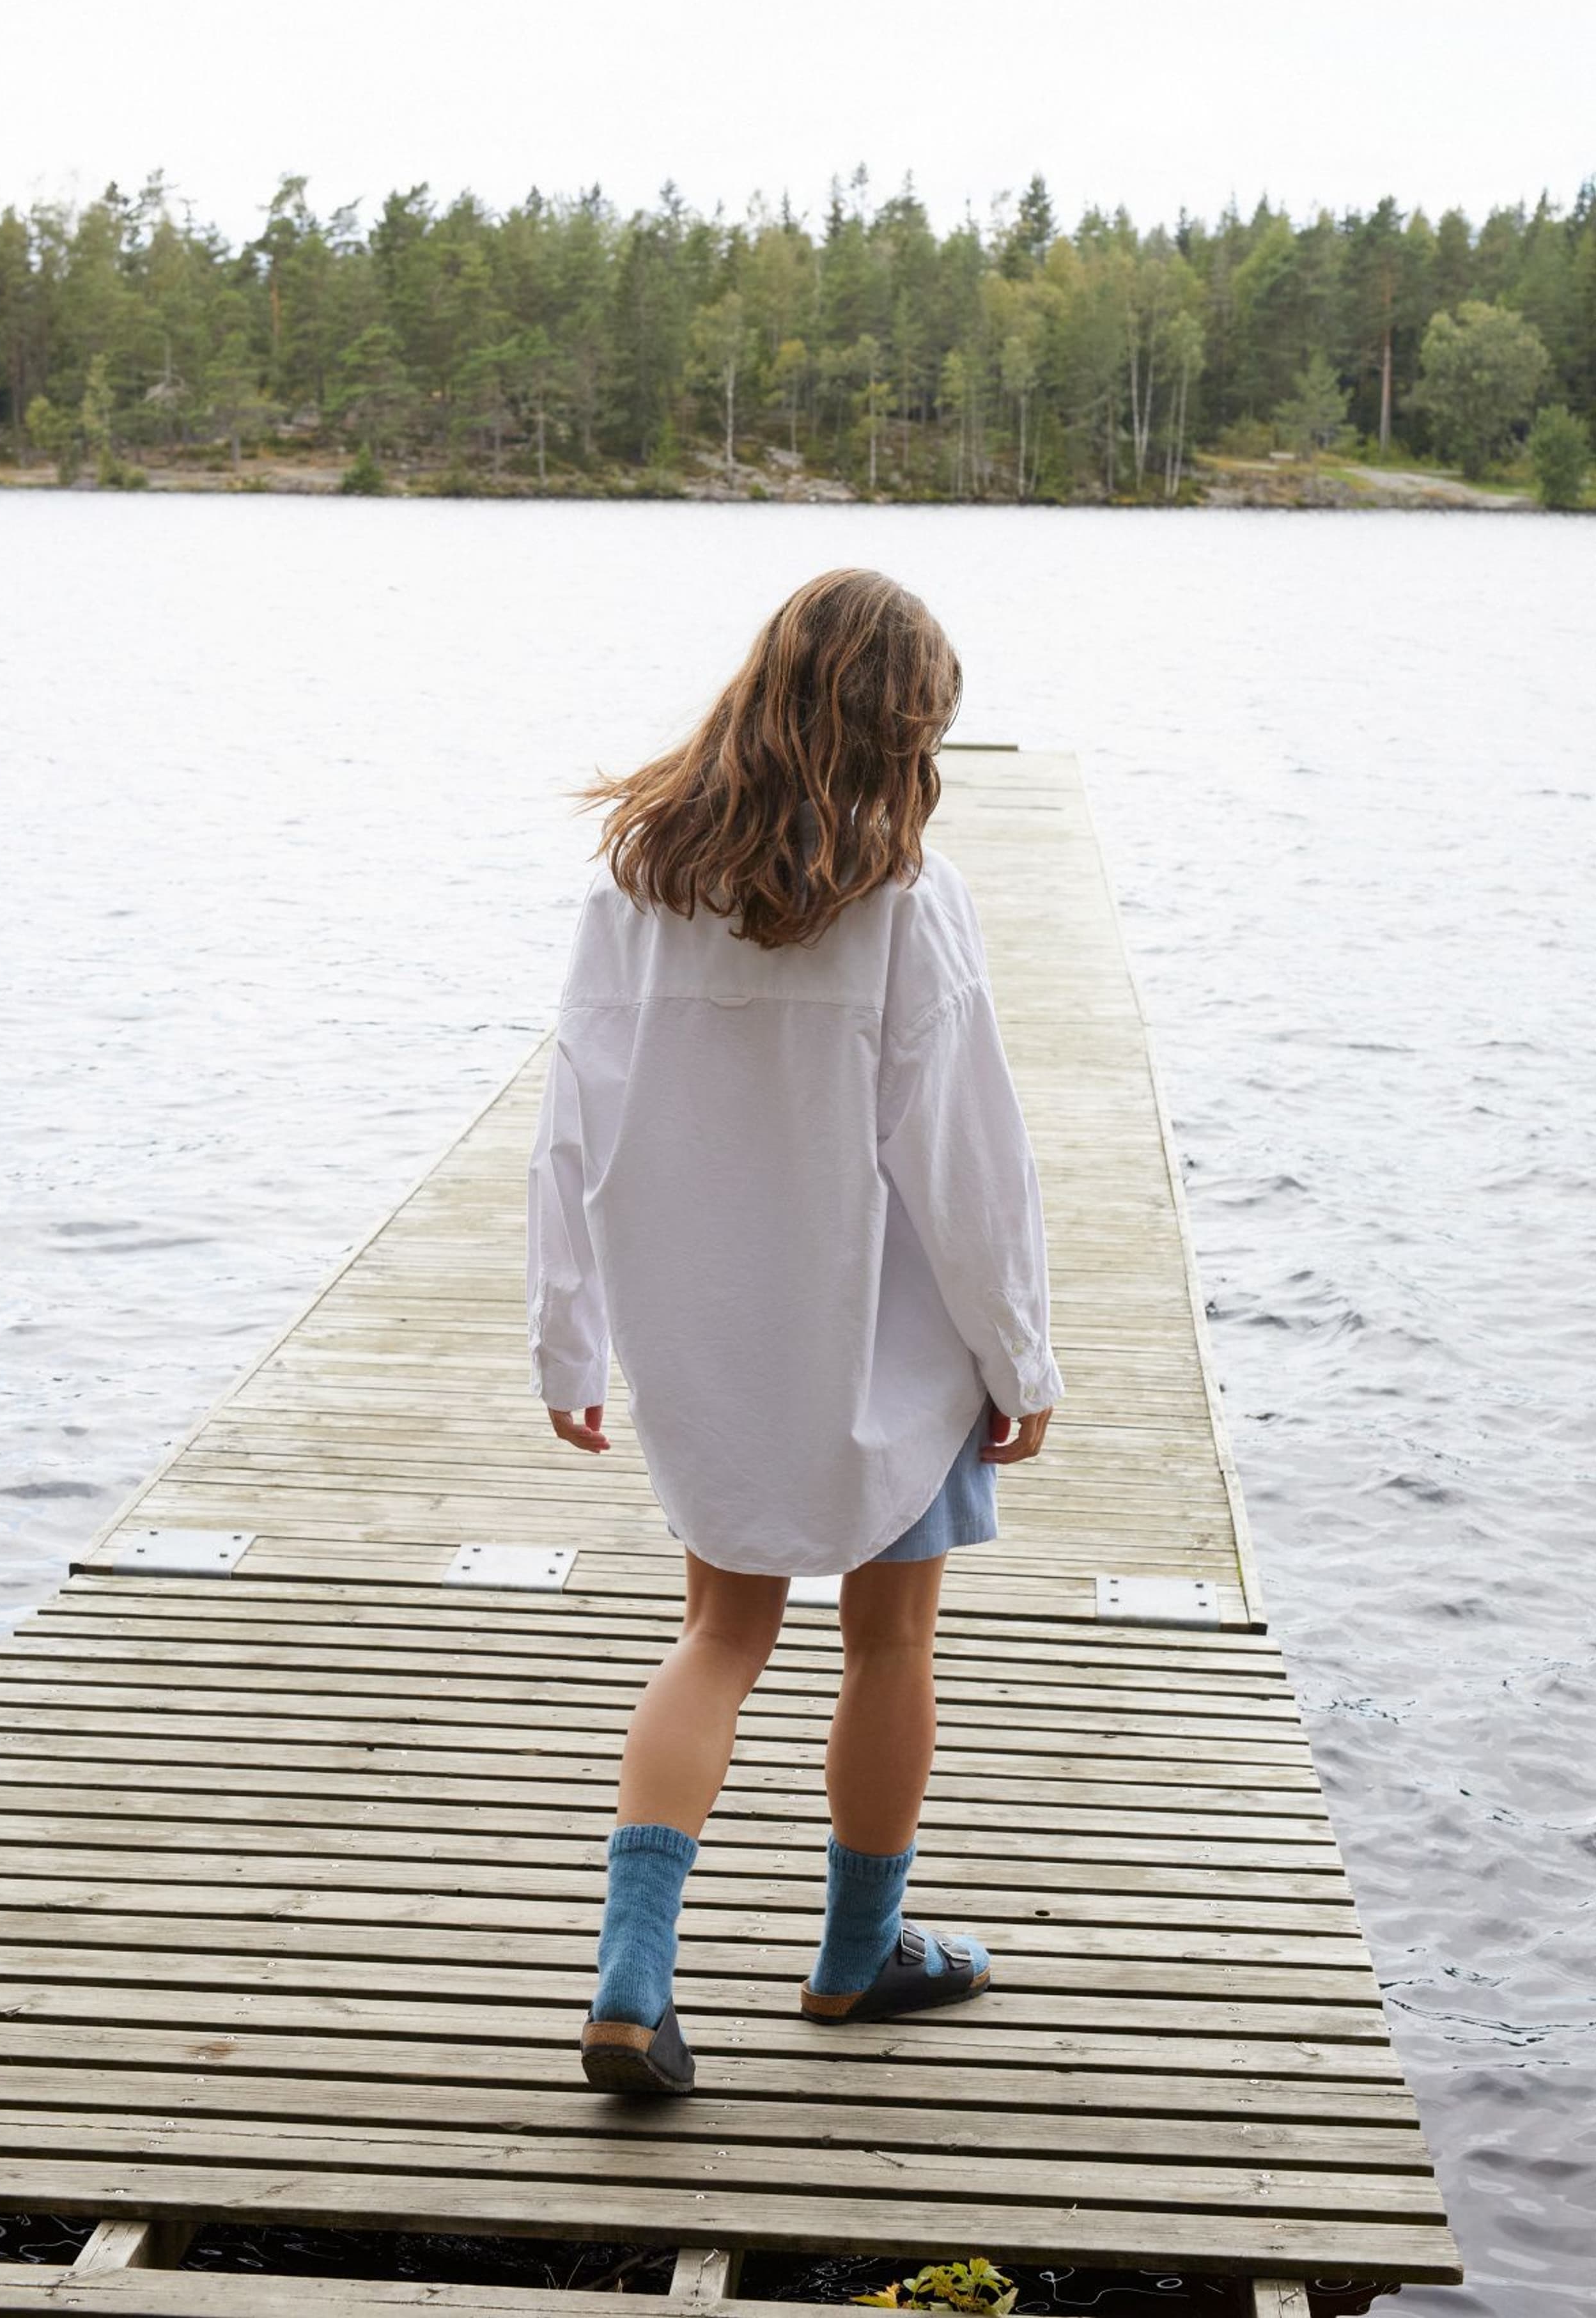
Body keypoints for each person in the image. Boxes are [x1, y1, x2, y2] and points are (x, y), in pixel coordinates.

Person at [525, 566, 1062, 2096]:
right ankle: (856, 1955)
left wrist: (568, 1339)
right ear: (906, 731)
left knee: (717, 1635)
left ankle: (631, 1980)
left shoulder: (633, 889)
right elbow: (966, 1166)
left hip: (708, 1338)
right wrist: (1019, 1359)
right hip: (889, 1349)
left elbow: (568, 1123)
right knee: (888, 1640)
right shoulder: (907, 903)